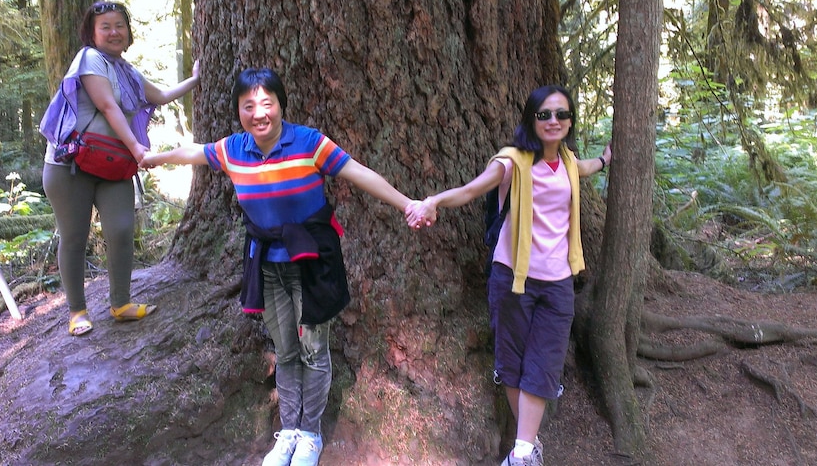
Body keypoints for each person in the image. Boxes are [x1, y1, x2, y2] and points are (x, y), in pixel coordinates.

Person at [140, 67, 418, 466]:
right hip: (267, 265)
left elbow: (358, 173)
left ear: (280, 104)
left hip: (312, 264)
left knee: (313, 350)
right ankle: (288, 430)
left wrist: (407, 203)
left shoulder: (309, 143)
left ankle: (310, 434)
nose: (258, 113)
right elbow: (194, 152)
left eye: (266, 103)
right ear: (238, 110)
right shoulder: (234, 149)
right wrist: (154, 159)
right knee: (285, 350)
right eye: (248, 105)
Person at [406, 85, 611, 466]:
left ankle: (521, 452)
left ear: (570, 122)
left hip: (559, 282)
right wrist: (433, 201)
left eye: (562, 115)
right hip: (513, 279)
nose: (554, 121)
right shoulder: (512, 161)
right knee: (513, 363)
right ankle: (526, 449)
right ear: (531, 119)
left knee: (545, 364)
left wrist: (605, 158)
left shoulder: (567, 161)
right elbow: (470, 191)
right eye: (545, 114)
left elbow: (586, 169)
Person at [39, 0, 200, 337]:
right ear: (92, 33)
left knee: (122, 230)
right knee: (74, 237)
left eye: (119, 26)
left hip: (111, 164)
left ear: (128, 32)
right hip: (70, 165)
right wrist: (137, 148)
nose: (114, 32)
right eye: (105, 27)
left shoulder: (128, 72)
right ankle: (77, 312)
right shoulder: (89, 60)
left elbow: (161, 95)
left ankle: (121, 303)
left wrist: (195, 79)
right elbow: (108, 106)